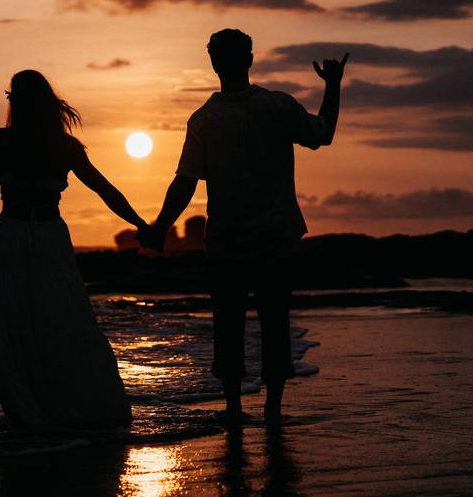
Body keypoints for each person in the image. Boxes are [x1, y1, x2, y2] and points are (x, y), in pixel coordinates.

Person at [138, 29, 347, 423]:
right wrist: (333, 87)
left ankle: (234, 410)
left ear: (214, 63)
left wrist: (160, 227)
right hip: (274, 239)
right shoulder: (276, 107)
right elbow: (324, 134)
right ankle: (272, 410)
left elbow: (185, 181)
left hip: (228, 243)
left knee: (228, 328)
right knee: (274, 324)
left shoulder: (205, 119)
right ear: (249, 60)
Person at [0, 69, 143, 428]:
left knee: (22, 320)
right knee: (59, 316)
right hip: (48, 234)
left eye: (11, 97)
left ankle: (35, 409)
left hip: (17, 234)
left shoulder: (11, 142)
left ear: (18, 102)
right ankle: (58, 405)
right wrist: (143, 225)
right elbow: (105, 190)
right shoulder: (56, 145)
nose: (9, 103)